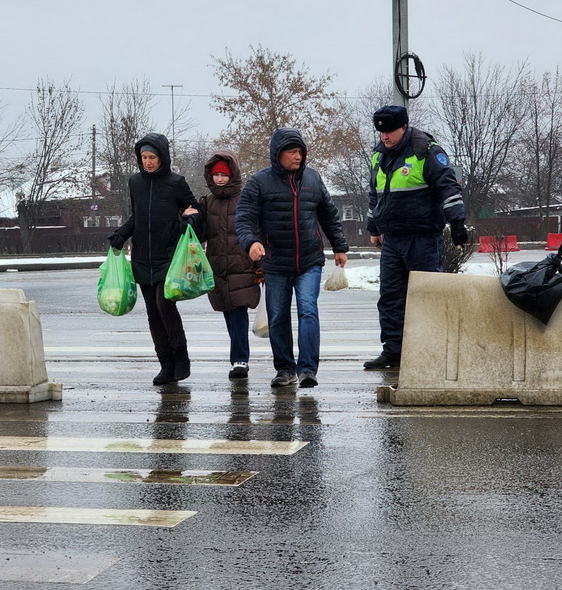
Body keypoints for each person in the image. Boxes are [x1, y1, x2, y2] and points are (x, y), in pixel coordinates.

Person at [235, 128, 349, 389]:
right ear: (278, 154)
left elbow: (329, 215)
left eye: (301, 152)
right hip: (276, 262)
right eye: (292, 152)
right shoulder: (259, 182)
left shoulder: (312, 178)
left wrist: (339, 247)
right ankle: (285, 370)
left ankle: (308, 369)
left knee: (308, 310)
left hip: (309, 260)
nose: (298, 156)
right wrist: (251, 242)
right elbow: (244, 217)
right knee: (277, 316)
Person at [363, 105, 467, 372]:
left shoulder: (426, 152)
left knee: (426, 296)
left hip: (422, 237)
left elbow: (447, 186)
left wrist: (457, 222)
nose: (384, 136)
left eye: (389, 131)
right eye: (381, 132)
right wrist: (374, 228)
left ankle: (430, 349)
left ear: (404, 127)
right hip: (393, 239)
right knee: (390, 297)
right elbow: (375, 195)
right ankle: (393, 351)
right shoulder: (379, 156)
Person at [108, 133, 200, 386]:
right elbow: (136, 217)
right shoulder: (135, 182)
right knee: (152, 313)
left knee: (165, 305)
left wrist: (189, 219)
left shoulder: (176, 182)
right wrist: (121, 234)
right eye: (144, 157)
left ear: (162, 157)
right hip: (142, 256)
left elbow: (194, 209)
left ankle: (181, 360)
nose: (147, 162)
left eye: (152, 157)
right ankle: (166, 365)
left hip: (169, 255)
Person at [196, 150, 261, 380]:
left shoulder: (245, 198)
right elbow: (200, 232)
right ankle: (237, 358)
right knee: (227, 310)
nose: (220, 179)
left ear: (233, 174)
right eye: (216, 175)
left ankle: (240, 359)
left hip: (242, 264)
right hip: (218, 266)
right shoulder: (208, 202)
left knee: (239, 310)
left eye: (224, 175)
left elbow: (256, 228)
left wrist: (259, 260)